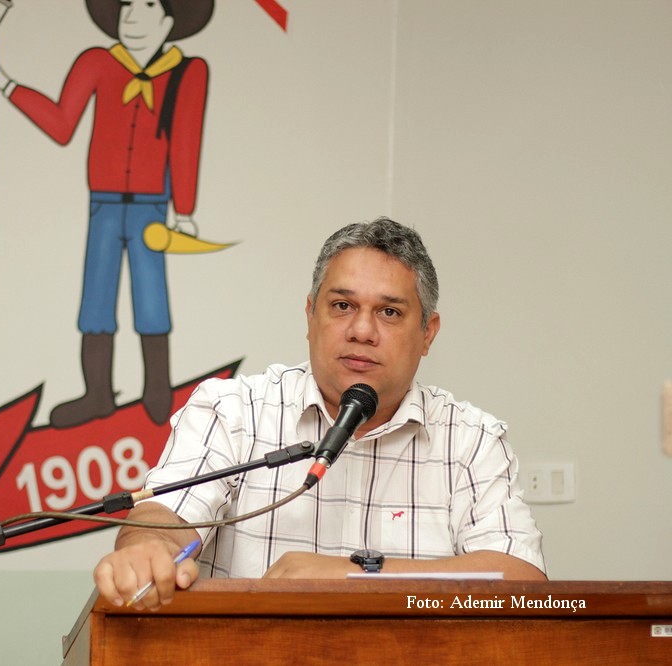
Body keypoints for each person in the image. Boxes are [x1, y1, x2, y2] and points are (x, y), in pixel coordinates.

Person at [93, 217, 547, 610]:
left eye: (389, 312)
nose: (362, 330)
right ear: (311, 314)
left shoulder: (471, 440)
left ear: (428, 333)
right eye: (342, 306)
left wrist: (355, 575)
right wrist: (146, 547)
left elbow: (522, 583)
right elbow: (167, 520)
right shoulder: (233, 411)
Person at [0, 0, 214, 427]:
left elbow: (186, 140)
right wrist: (11, 88)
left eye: (147, 5)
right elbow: (61, 123)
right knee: (96, 296)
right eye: (126, 5)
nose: (132, 16)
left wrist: (183, 210)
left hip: (150, 206)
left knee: (151, 297)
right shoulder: (97, 62)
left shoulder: (188, 72)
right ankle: (98, 393)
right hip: (103, 203)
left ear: (168, 20)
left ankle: (158, 391)